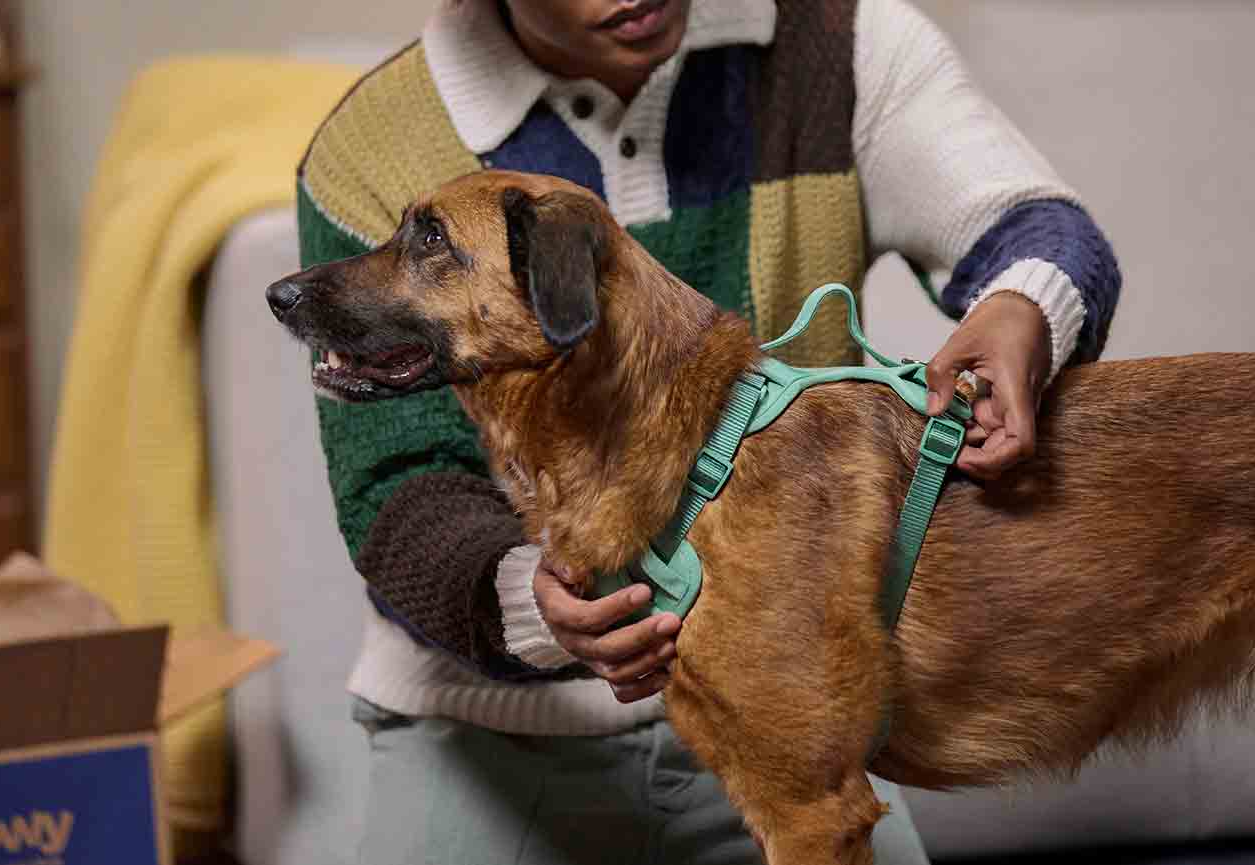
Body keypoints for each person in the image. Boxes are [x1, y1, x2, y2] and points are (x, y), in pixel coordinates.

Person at [293, 0, 1121, 862]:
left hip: (784, 708)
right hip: (489, 731)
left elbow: (1038, 227)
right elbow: (394, 487)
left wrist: (1027, 304)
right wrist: (531, 602)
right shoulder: (374, 142)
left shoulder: (841, 46)